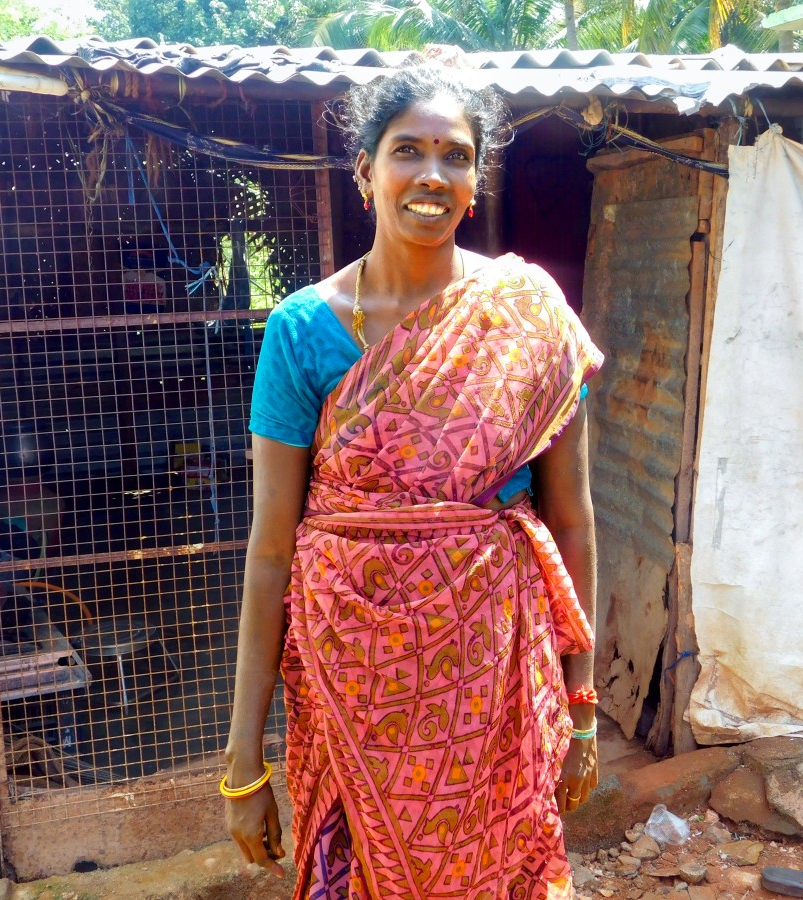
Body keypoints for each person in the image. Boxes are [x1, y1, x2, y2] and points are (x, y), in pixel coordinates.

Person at [223, 64, 603, 899]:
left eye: (455, 155)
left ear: (475, 180)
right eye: (408, 151)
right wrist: (243, 757)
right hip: (348, 684)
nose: (433, 174)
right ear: (366, 171)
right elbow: (271, 551)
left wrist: (581, 708)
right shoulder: (301, 332)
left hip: (492, 682)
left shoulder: (528, 317)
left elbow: (571, 521)